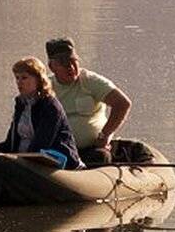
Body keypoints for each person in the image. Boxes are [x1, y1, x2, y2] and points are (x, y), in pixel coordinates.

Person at [45, 37, 133, 165]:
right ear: (52, 67)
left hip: (91, 149)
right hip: (60, 149)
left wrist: (105, 135)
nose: (70, 67)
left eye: (72, 61)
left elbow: (122, 104)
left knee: (100, 157)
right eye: (63, 63)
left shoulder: (91, 81)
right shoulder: (46, 86)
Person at [0, 57, 83, 169]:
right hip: (24, 160)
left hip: (56, 164)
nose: (19, 82)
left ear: (38, 80)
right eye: (17, 78)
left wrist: (18, 161)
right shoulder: (21, 104)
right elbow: (12, 141)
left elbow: (41, 144)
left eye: (24, 78)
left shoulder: (50, 106)